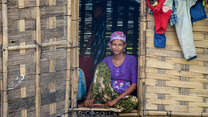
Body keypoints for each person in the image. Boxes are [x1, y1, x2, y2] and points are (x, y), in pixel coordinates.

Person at [82, 31, 138, 112]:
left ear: (124, 46)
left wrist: (115, 100)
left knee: (134, 101)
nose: (117, 47)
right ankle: (101, 103)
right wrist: (88, 98)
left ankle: (103, 105)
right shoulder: (106, 60)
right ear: (110, 45)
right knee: (101, 66)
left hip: (122, 97)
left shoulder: (131, 60)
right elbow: (96, 80)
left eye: (120, 45)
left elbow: (133, 85)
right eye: (114, 44)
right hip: (107, 94)